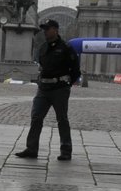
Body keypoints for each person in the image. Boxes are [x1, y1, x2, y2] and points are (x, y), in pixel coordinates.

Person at [13, 18, 82, 161]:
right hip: (43, 89)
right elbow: (42, 66)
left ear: (55, 30)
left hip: (59, 89)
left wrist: (66, 85)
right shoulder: (43, 48)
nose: (45, 31)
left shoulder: (66, 48)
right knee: (36, 117)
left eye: (47, 29)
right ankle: (32, 148)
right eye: (44, 29)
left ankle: (66, 150)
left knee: (62, 119)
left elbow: (76, 70)